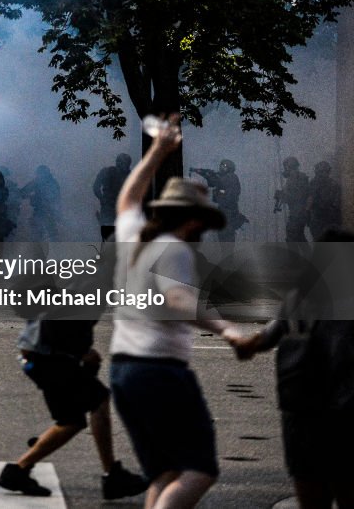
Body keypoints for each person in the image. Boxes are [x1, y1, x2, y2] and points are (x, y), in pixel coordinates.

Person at [110, 116, 246, 509]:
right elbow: (180, 301)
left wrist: (158, 150)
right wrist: (228, 330)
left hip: (124, 371)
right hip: (160, 371)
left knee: (165, 473)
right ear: (191, 219)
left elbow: (128, 197)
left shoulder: (133, 235)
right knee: (198, 470)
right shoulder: (173, 248)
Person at [231, 230, 354, 509]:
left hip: (299, 414)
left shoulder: (298, 297)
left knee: (310, 494)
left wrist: (242, 342)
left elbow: (265, 338)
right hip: (343, 416)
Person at [0, 314, 147, 499]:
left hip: (45, 352)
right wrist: (81, 351)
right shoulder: (86, 284)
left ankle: (22, 467)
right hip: (49, 354)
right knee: (91, 404)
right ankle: (112, 476)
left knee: (74, 418)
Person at [190, 159, 247, 242]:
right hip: (224, 209)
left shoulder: (231, 177)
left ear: (230, 168)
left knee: (227, 235)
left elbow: (217, 181)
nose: (221, 168)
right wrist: (203, 173)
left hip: (229, 210)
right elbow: (215, 181)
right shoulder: (225, 177)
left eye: (224, 166)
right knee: (223, 234)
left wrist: (207, 174)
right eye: (221, 166)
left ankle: (228, 254)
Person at [94, 153, 132, 240]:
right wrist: (102, 199)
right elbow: (96, 187)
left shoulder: (129, 176)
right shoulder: (107, 172)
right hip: (110, 209)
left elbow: (96, 187)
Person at [21, 165, 61, 242]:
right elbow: (23, 192)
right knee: (43, 235)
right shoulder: (49, 182)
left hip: (47, 212)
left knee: (46, 236)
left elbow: (55, 199)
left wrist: (32, 197)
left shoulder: (42, 182)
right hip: (43, 212)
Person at [276, 157, 310, 243]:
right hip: (300, 213)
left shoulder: (294, 178)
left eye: (285, 167)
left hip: (297, 214)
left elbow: (296, 197)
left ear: (288, 167)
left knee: (292, 237)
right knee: (299, 238)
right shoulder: (299, 177)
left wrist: (282, 195)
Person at [307, 161, 341, 241]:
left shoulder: (333, 185)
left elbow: (337, 204)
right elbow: (310, 199)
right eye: (319, 172)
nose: (320, 174)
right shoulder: (314, 183)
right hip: (319, 219)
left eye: (322, 172)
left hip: (327, 219)